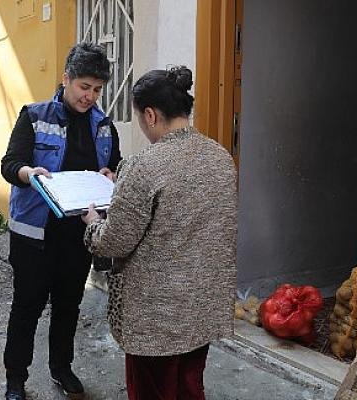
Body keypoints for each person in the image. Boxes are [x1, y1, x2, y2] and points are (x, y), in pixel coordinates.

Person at [81, 66, 237, 400]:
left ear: (150, 115)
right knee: (189, 387)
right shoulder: (220, 157)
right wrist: (122, 188)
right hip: (202, 306)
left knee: (153, 392)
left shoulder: (146, 165)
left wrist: (94, 222)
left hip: (156, 318)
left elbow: (114, 240)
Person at [0, 42, 121, 400]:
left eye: (97, 90)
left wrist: (111, 174)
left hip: (79, 232)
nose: (90, 96)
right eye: (84, 87)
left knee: (68, 306)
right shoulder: (34, 116)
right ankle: (15, 380)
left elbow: (115, 165)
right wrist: (28, 173)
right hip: (35, 233)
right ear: (66, 78)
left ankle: (61, 368)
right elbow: (9, 164)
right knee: (27, 306)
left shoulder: (104, 126)